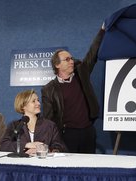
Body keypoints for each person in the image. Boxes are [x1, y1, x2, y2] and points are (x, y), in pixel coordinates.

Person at [41, 24, 105, 153]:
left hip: (88, 131)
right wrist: (51, 143)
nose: (72, 61)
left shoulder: (82, 73)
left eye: (72, 58)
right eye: (67, 59)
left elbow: (93, 52)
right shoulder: (48, 89)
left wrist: (102, 31)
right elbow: (49, 119)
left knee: (88, 169)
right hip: (67, 135)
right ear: (57, 64)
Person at [0, 90, 67, 155]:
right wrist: (27, 145)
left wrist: (43, 150)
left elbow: (60, 147)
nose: (38, 103)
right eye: (33, 101)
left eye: (38, 100)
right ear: (23, 106)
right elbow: (4, 145)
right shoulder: (15, 125)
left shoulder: (50, 125)